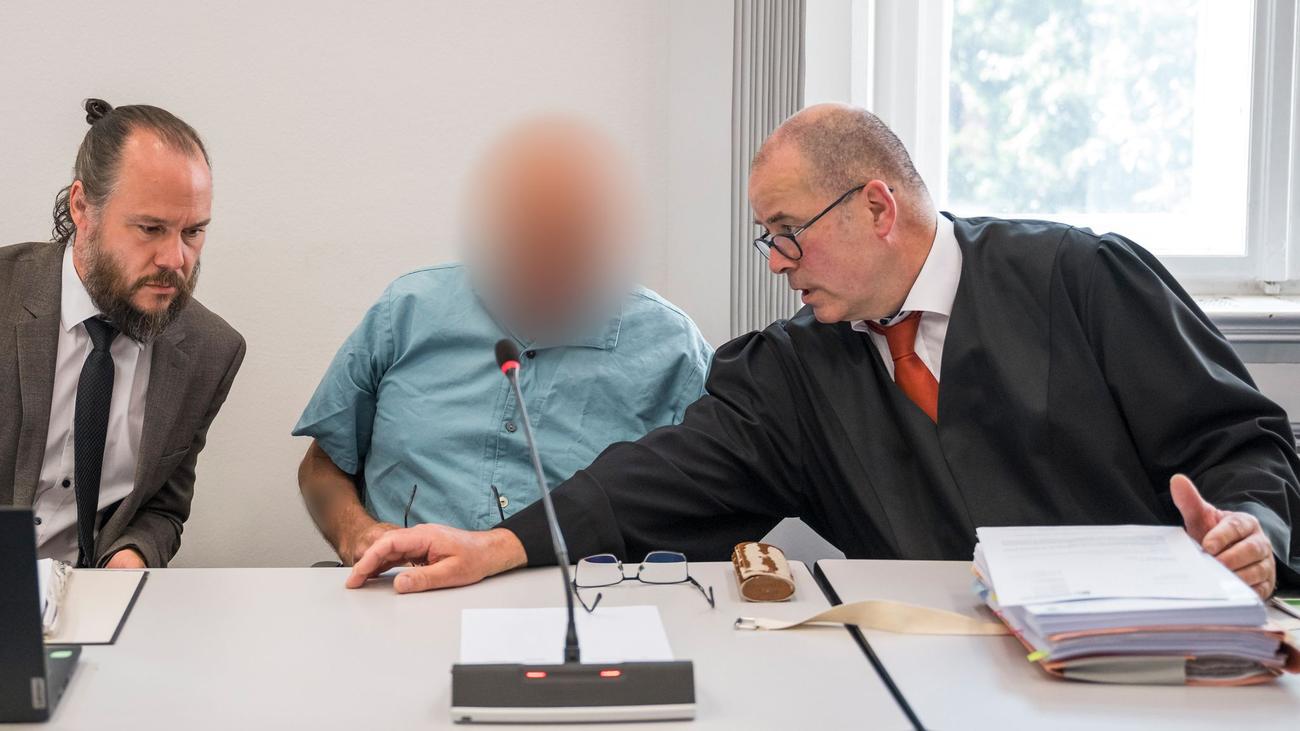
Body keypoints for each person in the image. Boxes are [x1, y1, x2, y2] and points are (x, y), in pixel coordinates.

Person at [347, 103, 1299, 600]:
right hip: (929, 678)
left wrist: (1254, 531)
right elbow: (656, 478)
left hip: (1148, 657)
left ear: (877, 206)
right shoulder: (793, 370)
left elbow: (1243, 444)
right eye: (766, 239)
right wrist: (500, 543)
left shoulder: (1082, 279)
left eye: (787, 233)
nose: (775, 264)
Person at [294, 118, 712, 565]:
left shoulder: (673, 348)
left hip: (579, 592)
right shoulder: (407, 310)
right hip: (406, 586)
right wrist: (357, 534)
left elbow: (711, 504)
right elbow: (323, 465)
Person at [0, 99, 246, 568]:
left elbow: (162, 508)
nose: (174, 259)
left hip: (96, 599)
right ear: (82, 207)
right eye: (150, 228)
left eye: (193, 232)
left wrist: (133, 555)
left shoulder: (210, 350)